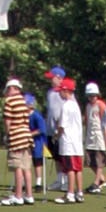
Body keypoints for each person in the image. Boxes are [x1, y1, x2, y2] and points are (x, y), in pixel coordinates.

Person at [0, 78, 35, 205]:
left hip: (16, 136)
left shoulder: (10, 101)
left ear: (11, 88)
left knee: (17, 166)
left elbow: (7, 121)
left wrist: (7, 135)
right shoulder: (24, 101)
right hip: (26, 135)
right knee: (26, 167)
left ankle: (18, 195)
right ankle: (29, 195)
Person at [53, 77, 84, 203]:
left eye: (61, 90)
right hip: (77, 142)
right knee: (78, 169)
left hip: (68, 141)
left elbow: (62, 126)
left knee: (70, 169)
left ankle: (70, 194)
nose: (59, 93)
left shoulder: (66, 106)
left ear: (66, 91)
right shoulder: (76, 105)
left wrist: (56, 136)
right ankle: (79, 193)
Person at [43, 67, 67, 195]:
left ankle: (66, 180)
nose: (50, 80)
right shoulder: (50, 92)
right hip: (51, 130)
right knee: (56, 157)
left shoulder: (65, 93)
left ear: (59, 78)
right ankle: (59, 180)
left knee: (63, 156)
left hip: (61, 131)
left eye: (52, 77)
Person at [83, 82, 106, 194]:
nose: (92, 98)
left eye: (93, 95)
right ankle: (101, 179)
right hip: (90, 136)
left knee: (99, 161)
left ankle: (96, 183)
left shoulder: (101, 105)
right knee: (90, 161)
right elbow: (87, 122)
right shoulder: (88, 106)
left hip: (99, 136)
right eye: (90, 96)